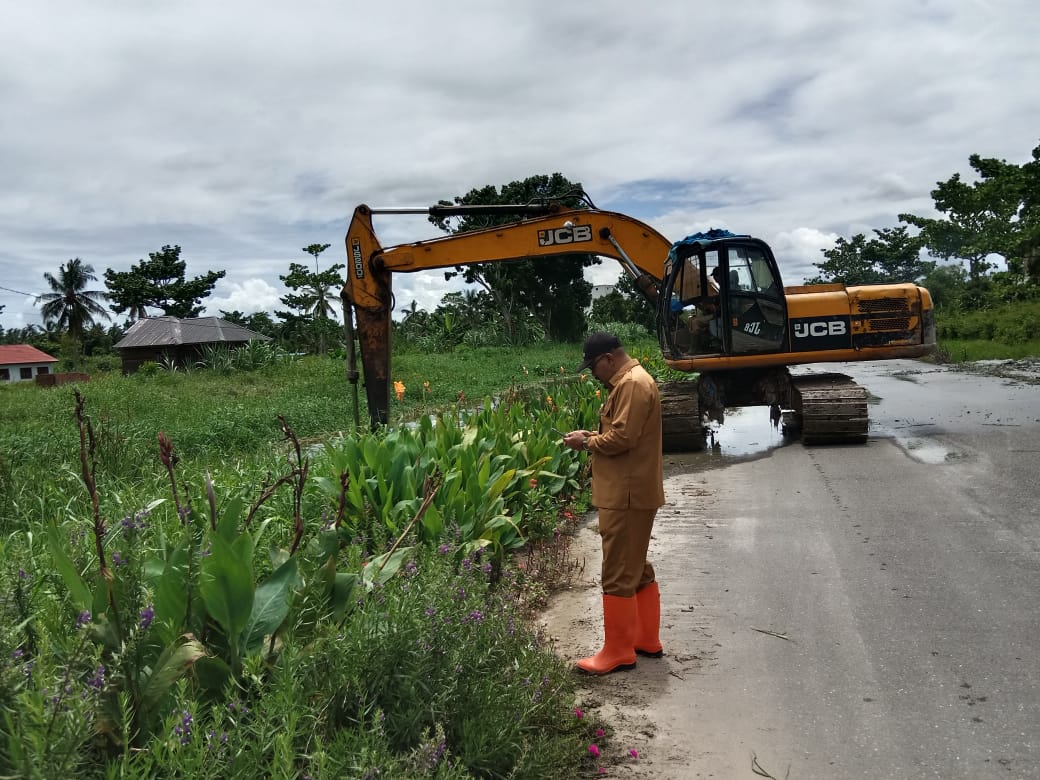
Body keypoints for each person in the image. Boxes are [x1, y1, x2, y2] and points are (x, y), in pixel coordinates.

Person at [563, 332, 666, 675]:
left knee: (618, 571)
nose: (593, 374)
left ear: (608, 358)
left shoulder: (632, 384)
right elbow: (624, 433)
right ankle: (645, 639)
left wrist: (587, 442)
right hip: (629, 491)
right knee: (634, 566)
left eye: (593, 366)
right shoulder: (632, 381)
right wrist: (592, 437)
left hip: (627, 493)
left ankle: (619, 651)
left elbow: (622, 437)